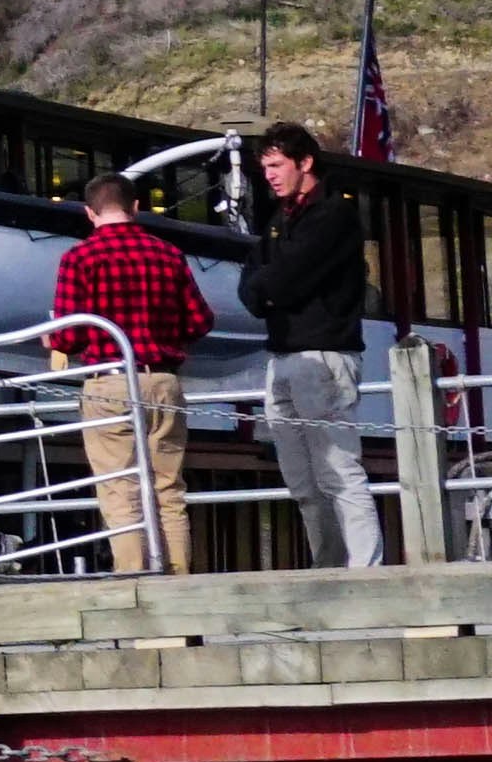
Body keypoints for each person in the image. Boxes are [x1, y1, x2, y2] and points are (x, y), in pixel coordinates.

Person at [238, 117, 384, 569]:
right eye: (265, 169)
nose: (271, 176)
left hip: (325, 354)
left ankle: (366, 572)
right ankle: (328, 567)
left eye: (278, 165)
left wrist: (268, 287)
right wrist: (267, 289)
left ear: (305, 162)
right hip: (281, 354)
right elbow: (252, 281)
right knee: (301, 482)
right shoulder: (281, 218)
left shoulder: (334, 215)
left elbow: (290, 277)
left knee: (338, 469)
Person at [51, 170, 208, 575]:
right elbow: (199, 321)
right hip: (162, 380)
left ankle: (137, 592)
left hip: (109, 382)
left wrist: (51, 341)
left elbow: (68, 335)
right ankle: (178, 596)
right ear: (136, 207)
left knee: (122, 493)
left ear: (90, 213)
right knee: (168, 492)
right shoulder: (168, 254)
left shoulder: (79, 258)